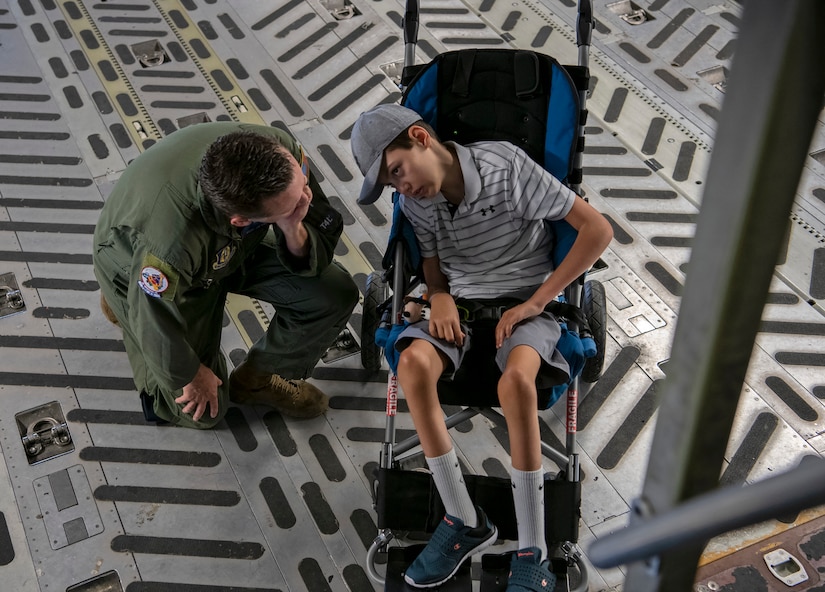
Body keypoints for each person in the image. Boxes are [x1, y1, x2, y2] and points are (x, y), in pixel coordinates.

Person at [351, 104, 613, 590]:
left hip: (527, 303)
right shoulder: (416, 204)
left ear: (420, 137)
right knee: (410, 365)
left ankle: (532, 548)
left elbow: (598, 230)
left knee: (516, 380)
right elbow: (431, 263)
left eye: (397, 171)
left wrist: (537, 302)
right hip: (461, 309)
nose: (401, 187)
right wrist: (441, 294)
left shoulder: (505, 166)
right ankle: (462, 519)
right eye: (391, 184)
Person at [93, 122, 359, 429]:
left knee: (333, 295)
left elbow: (317, 228)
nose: (305, 201)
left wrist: (292, 225)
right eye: (292, 207)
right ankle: (120, 297)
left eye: (302, 192)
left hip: (235, 246)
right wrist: (190, 375)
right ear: (241, 219)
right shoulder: (167, 248)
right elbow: (153, 318)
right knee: (204, 412)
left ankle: (258, 379)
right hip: (141, 262)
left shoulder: (281, 152)